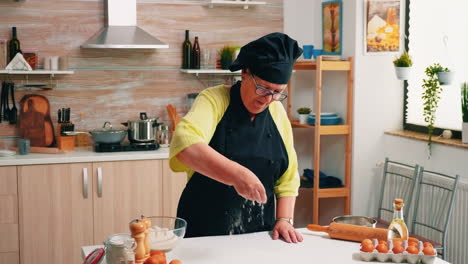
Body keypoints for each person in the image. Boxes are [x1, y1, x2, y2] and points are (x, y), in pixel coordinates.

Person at [169, 32, 303, 243]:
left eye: (278, 92)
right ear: (245, 73)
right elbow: (185, 144)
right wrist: (237, 175)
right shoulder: (214, 100)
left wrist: (284, 219)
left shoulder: (277, 112)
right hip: (204, 233)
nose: (269, 99)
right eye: (263, 88)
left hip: (259, 235)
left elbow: (289, 177)